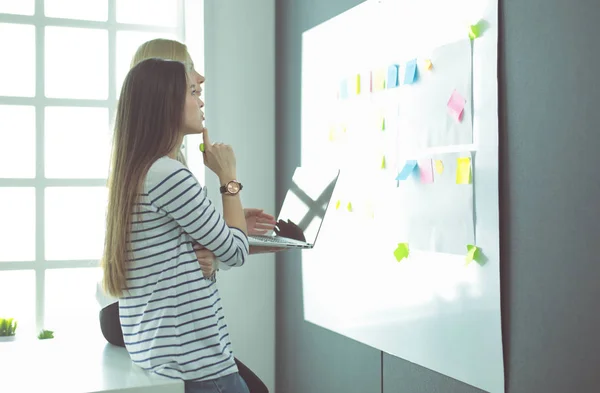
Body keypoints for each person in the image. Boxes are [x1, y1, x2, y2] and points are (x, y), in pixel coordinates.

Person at [97, 38, 274, 393]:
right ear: (167, 103)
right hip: (200, 364)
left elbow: (188, 248)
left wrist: (227, 230)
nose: (202, 98)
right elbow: (235, 252)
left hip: (164, 358)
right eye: (193, 91)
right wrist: (228, 178)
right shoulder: (170, 175)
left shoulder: (138, 172)